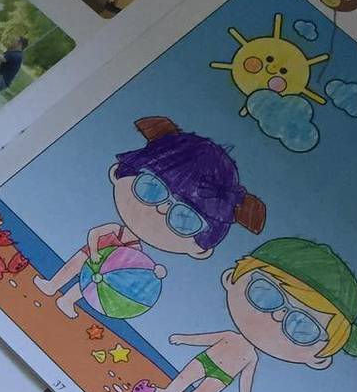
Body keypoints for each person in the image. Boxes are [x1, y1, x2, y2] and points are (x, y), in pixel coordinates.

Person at [33, 114, 267, 319]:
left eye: (185, 218)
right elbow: (95, 234)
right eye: (151, 188)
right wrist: (93, 252)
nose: (162, 210)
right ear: (117, 173)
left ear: (201, 249)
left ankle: (68, 300)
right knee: (80, 267)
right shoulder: (116, 232)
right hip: (91, 255)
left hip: (102, 270)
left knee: (96, 281)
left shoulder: (135, 254)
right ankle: (52, 285)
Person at [161, 236, 357, 392]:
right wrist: (183, 338)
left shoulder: (251, 357)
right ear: (231, 278)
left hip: (223, 376)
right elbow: (204, 338)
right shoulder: (230, 337)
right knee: (185, 378)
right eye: (265, 293)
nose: (277, 316)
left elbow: (246, 378)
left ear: (319, 358)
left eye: (303, 327)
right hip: (206, 360)